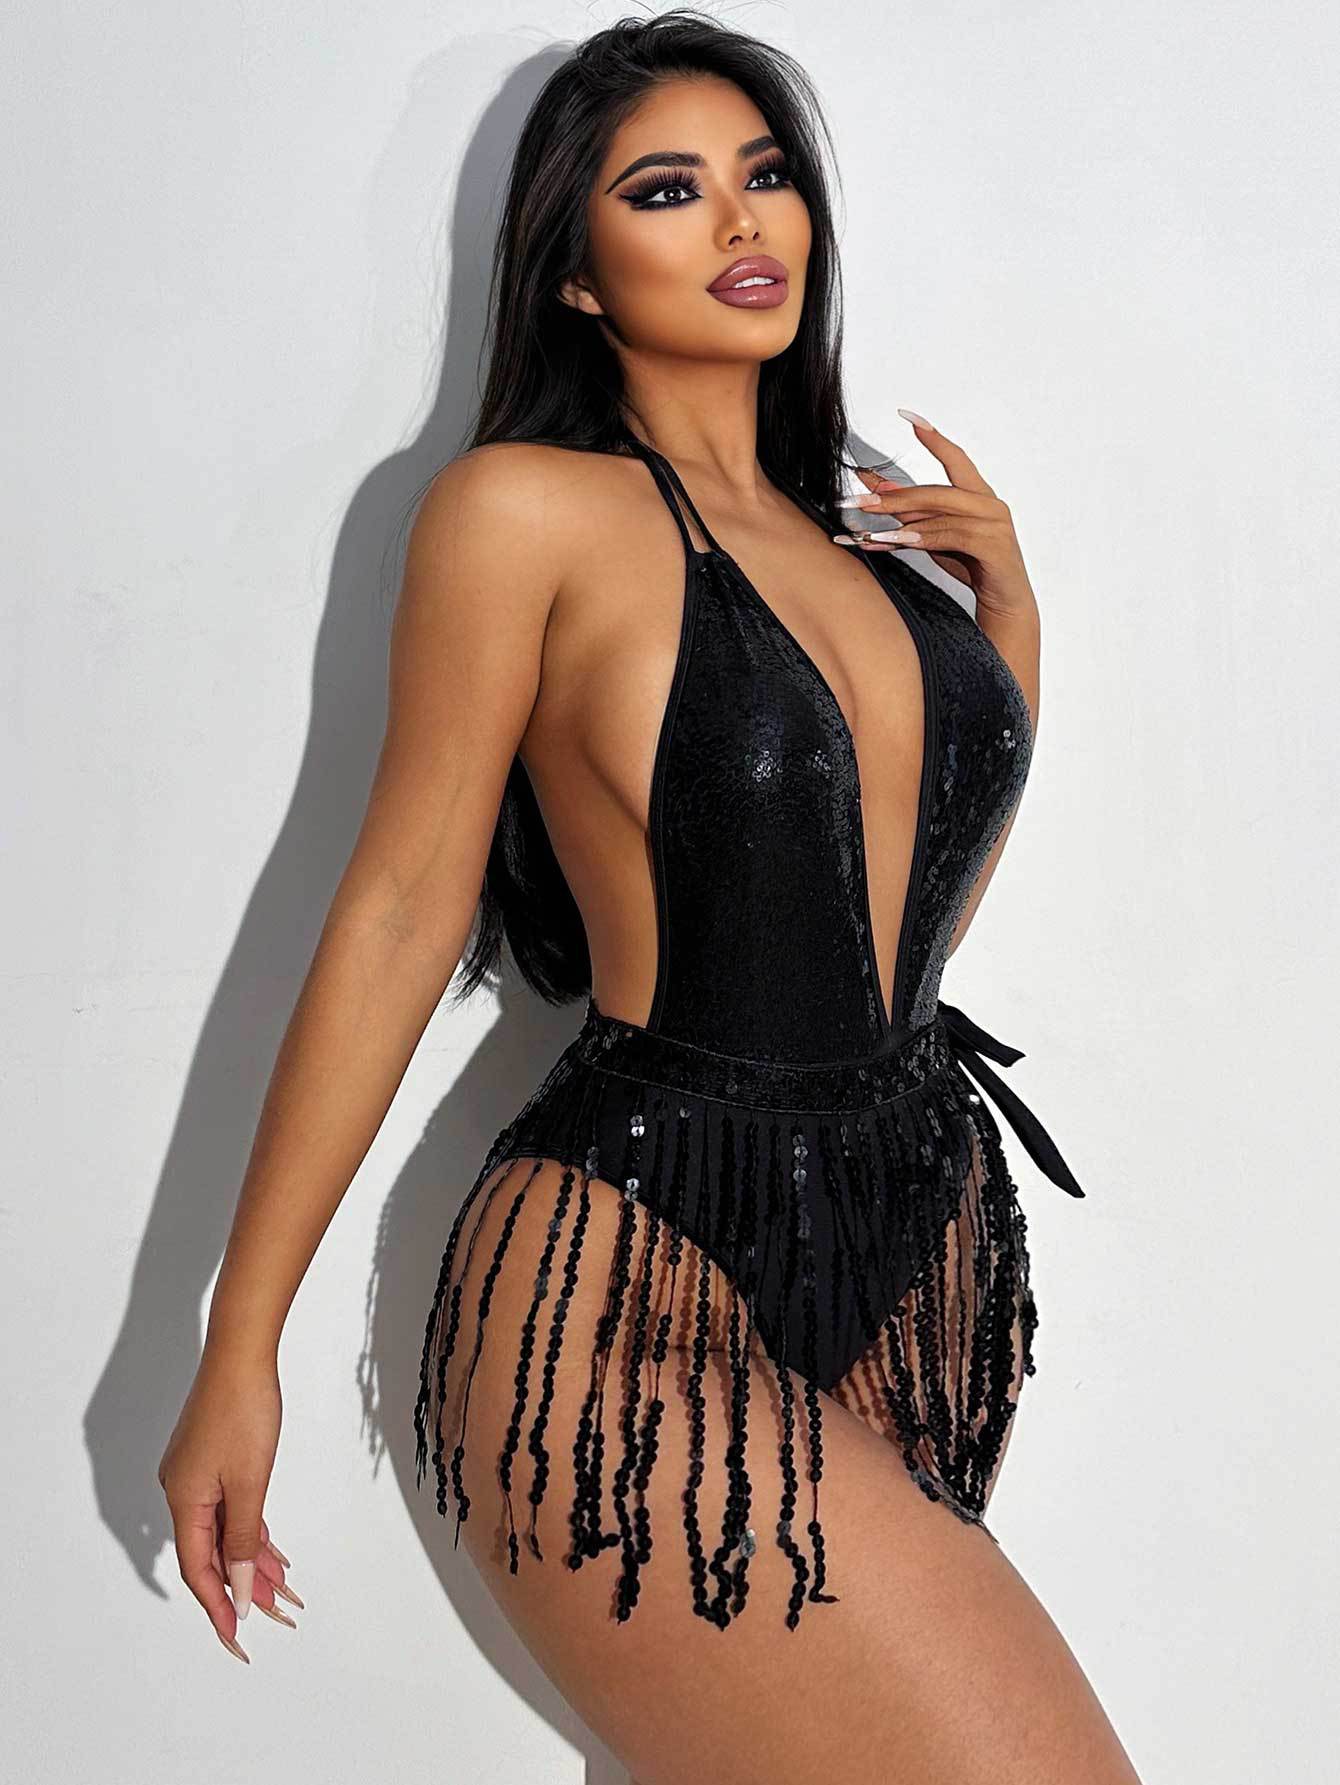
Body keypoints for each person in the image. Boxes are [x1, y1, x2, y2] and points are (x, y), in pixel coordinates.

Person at [158, 11, 1143, 1782]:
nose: (742, 219)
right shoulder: (520, 514)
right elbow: (398, 912)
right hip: (634, 1274)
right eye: (668, 191)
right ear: (576, 272)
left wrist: (1010, 628)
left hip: (908, 1244)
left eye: (765, 174)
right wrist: (243, 1338)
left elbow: (899, 931)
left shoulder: (864, 547)